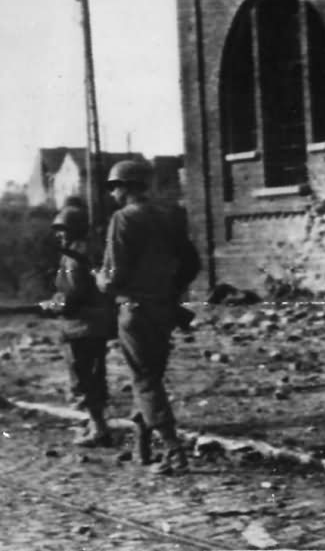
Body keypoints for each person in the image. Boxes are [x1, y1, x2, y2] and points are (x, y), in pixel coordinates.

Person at [95, 159, 193, 475]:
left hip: (134, 311)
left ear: (124, 188)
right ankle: (143, 446)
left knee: (145, 380)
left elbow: (113, 276)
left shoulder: (122, 219)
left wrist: (98, 279)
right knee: (150, 378)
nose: (112, 194)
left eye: (114, 187)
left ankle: (174, 449)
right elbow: (192, 263)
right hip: (164, 311)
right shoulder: (170, 216)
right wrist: (170, 292)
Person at [40, 204, 114, 447]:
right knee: (93, 377)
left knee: (83, 380)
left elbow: (73, 295)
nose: (60, 234)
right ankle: (96, 424)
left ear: (76, 229)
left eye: (65, 229)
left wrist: (54, 305)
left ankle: (99, 428)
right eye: (59, 230)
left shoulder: (74, 255)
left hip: (80, 327)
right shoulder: (86, 250)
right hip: (92, 325)